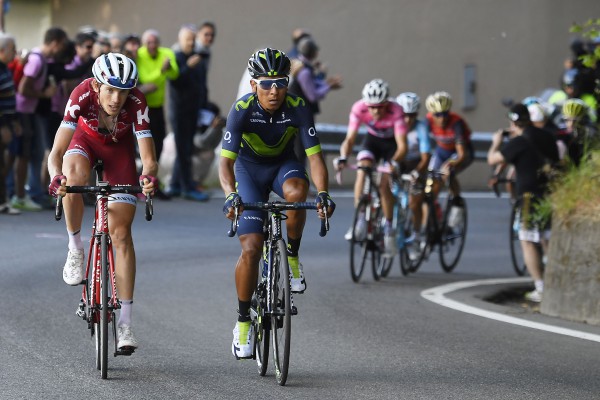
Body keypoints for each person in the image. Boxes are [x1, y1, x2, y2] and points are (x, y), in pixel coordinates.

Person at [219, 48, 335, 359]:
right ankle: (243, 321)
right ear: (253, 85)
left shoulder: (298, 107)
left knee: (298, 194)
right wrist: (230, 194)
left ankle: (292, 257)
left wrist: (324, 193)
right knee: (251, 248)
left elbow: (315, 158)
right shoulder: (241, 110)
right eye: (267, 84)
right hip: (248, 171)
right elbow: (225, 163)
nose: (274, 91)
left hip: (284, 166)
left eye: (281, 83)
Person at [47, 53, 158, 350]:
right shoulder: (81, 94)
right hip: (83, 143)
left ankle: (125, 324)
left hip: (119, 152)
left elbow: (148, 157)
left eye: (123, 91)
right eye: (110, 90)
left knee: (121, 234)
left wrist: (148, 177)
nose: (117, 99)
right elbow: (56, 152)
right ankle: (75, 247)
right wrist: (56, 177)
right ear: (97, 86)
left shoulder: (137, 101)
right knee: (72, 178)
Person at [487, 103, 559, 303]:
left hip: (529, 196)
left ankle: (541, 287)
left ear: (513, 122)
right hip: (551, 193)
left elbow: (493, 159)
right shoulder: (547, 136)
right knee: (547, 238)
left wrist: (496, 142)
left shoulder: (518, 142)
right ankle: (555, 284)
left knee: (527, 241)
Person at [335, 79, 408, 255]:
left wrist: (393, 163)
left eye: (380, 107)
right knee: (362, 169)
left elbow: (402, 146)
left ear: (387, 104)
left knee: (384, 185)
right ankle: (360, 219)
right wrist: (344, 157)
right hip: (372, 141)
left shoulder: (396, 110)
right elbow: (350, 139)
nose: (375, 111)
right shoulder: (359, 108)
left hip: (392, 145)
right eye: (372, 107)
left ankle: (389, 229)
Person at [13, 27, 67, 211]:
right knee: (25, 154)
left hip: (30, 111)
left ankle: (29, 193)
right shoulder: (37, 60)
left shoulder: (42, 58)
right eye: (62, 45)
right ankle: (21, 194)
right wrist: (44, 94)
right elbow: (23, 88)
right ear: (55, 43)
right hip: (24, 111)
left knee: (33, 153)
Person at [167, 24, 209, 201]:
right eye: (187, 39)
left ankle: (175, 185)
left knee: (186, 148)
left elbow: (202, 85)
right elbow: (175, 81)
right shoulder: (175, 57)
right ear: (180, 40)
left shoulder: (198, 58)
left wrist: (204, 107)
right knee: (183, 149)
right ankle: (187, 187)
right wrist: (188, 67)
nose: (191, 43)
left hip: (194, 110)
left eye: (193, 39)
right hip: (179, 111)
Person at [136, 29, 179, 198]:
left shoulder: (166, 53)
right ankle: (140, 182)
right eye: (149, 42)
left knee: (159, 144)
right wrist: (161, 71)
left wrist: (167, 69)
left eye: (155, 42)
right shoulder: (139, 55)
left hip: (158, 107)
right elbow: (146, 80)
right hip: (141, 107)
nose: (152, 46)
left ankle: (151, 180)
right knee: (143, 147)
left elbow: (174, 74)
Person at [395, 92, 431, 250]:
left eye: (412, 116)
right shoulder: (394, 124)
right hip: (399, 163)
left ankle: (417, 235)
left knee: (414, 203)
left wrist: (417, 172)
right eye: (404, 115)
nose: (408, 120)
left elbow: (426, 157)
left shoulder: (421, 128)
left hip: (417, 165)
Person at [424, 91, 473, 207]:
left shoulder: (456, 123)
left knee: (447, 173)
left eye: (445, 114)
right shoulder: (428, 120)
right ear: (432, 114)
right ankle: (432, 206)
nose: (442, 119)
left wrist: (451, 164)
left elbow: (461, 154)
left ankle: (456, 200)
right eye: (438, 115)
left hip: (460, 152)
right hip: (442, 151)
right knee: (431, 178)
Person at [0, 32, 21, 214]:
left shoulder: (5, 68)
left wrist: (14, 121)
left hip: (8, 121)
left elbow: (8, 99)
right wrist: (3, 126)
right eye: (12, 49)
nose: (15, 52)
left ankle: (3, 200)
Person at [559, 98, 598, 167]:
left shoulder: (590, 131)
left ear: (583, 120)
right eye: (567, 120)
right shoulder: (560, 132)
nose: (570, 124)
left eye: (575, 120)